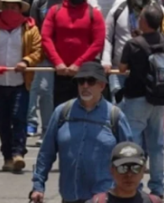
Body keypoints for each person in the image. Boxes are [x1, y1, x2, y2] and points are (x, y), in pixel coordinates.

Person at [30, 62, 132, 203]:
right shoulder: (62, 112)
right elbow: (46, 153)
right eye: (80, 81)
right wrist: (38, 186)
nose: (85, 86)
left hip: (104, 197)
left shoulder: (115, 116)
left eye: (90, 81)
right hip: (70, 196)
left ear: (102, 86)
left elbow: (130, 159)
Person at [0, 0, 42, 173]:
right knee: (3, 122)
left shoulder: (30, 29)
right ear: (2, 8)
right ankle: (7, 156)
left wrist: (26, 61)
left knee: (18, 118)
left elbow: (38, 50)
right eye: (7, 7)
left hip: (20, 81)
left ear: (20, 9)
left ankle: (18, 153)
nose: (10, 10)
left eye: (14, 7)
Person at [116, 6, 164, 200]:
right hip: (160, 98)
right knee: (156, 144)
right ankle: (158, 188)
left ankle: (136, 186)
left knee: (134, 145)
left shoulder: (133, 44)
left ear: (145, 22)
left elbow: (122, 68)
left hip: (137, 99)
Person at [41, 0, 106, 107]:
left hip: (85, 74)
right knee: (61, 110)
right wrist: (57, 62)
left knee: (85, 109)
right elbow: (46, 37)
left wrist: (78, 64)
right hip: (61, 72)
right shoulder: (55, 10)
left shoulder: (94, 14)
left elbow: (98, 43)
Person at [27, 0, 68, 140]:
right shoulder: (41, 0)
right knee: (44, 91)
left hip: (67, 55)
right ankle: (46, 131)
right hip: (45, 55)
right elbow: (32, 28)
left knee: (65, 94)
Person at [86, 142, 158, 203]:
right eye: (122, 168)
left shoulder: (153, 201)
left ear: (143, 171)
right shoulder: (98, 201)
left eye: (135, 168)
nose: (129, 174)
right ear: (112, 170)